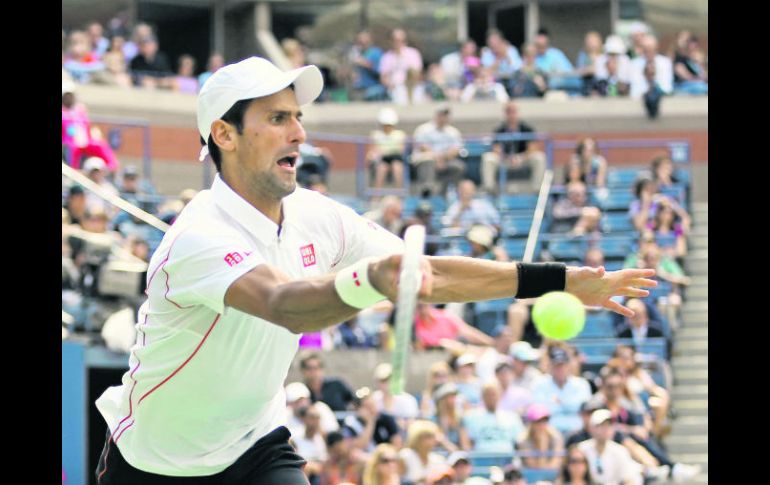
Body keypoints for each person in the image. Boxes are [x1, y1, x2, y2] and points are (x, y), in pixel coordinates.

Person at [94, 55, 656, 484]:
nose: (299, 133)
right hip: (154, 460)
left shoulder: (318, 214)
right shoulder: (199, 235)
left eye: (298, 117)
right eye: (277, 118)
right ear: (224, 134)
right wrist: (369, 283)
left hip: (253, 443)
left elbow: (427, 272)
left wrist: (558, 279)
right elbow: (284, 305)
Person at [480, 101, 546, 194]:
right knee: (488, 158)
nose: (511, 115)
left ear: (518, 113)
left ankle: (537, 189)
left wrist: (521, 158)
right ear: (505, 114)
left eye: (514, 112)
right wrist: (508, 158)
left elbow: (533, 148)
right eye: (509, 112)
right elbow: (496, 149)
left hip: (523, 159)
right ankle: (489, 188)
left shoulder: (527, 128)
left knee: (539, 157)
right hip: (505, 159)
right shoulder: (499, 129)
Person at [62, 80, 120, 172]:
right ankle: (73, 172)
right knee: (73, 148)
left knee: (100, 144)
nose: (69, 98)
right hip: (69, 143)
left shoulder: (80, 110)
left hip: (85, 141)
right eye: (67, 96)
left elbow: (87, 126)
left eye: (71, 96)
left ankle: (111, 167)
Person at [411, 105, 466, 197]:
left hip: (446, 160)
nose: (443, 118)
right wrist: (437, 158)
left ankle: (447, 192)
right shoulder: (424, 129)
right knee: (428, 161)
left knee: (458, 167)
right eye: (440, 115)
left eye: (445, 115)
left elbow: (456, 149)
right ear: (436, 116)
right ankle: (427, 191)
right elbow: (422, 146)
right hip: (426, 159)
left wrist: (442, 158)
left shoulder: (453, 132)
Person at [577, 410, 643, 485]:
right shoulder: (581, 450)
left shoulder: (620, 451)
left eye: (609, 425)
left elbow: (628, 478)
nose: (606, 429)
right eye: (601, 425)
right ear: (591, 428)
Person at [460, 380, 524, 453]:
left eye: (494, 394)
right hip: (481, 460)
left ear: (499, 395)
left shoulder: (512, 417)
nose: (491, 398)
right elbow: (466, 444)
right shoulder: (471, 417)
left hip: (507, 460)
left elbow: (520, 441)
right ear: (482, 397)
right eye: (487, 395)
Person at [379, 28, 423, 105]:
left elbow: (417, 74)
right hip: (394, 89)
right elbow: (383, 77)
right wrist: (390, 85)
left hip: (412, 88)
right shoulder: (386, 57)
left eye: (402, 40)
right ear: (390, 41)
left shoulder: (413, 53)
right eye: (395, 40)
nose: (399, 43)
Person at [367, 108, 407, 189]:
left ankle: (399, 195)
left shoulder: (400, 134)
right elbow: (372, 151)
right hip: (381, 161)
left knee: (397, 167)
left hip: (396, 159)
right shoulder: (375, 135)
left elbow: (401, 149)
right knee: (382, 168)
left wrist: (386, 152)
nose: (387, 127)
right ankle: (376, 196)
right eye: (385, 125)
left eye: (389, 125)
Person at [516, 403, 564, 470]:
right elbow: (536, 469)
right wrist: (542, 446)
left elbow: (554, 467)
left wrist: (543, 443)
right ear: (531, 423)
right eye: (538, 421)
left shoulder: (556, 437)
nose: (542, 424)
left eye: (545, 420)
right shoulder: (523, 440)